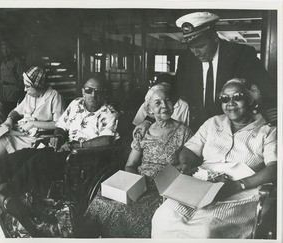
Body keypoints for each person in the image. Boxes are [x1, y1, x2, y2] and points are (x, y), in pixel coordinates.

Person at [0, 76, 119, 237]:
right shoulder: (75, 104)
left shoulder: (109, 112)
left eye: (99, 92)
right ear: (83, 91)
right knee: (24, 155)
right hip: (65, 149)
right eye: (89, 90)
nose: (93, 95)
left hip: (82, 157)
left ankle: (9, 197)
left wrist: (75, 146)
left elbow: (107, 139)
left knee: (39, 160)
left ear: (105, 94)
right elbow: (61, 126)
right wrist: (58, 137)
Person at [151, 78, 277, 238]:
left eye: (237, 97)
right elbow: (189, 149)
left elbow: (274, 169)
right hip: (203, 185)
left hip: (242, 190)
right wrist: (185, 164)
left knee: (204, 229)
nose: (230, 103)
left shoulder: (268, 131)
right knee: (163, 216)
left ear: (249, 99)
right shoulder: (212, 123)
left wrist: (238, 185)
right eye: (225, 99)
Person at [81, 83, 194, 238]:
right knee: (101, 201)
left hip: (163, 189)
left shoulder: (185, 132)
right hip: (140, 182)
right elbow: (131, 164)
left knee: (125, 211)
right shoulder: (144, 131)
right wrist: (134, 185)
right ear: (149, 110)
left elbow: (188, 164)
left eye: (167, 100)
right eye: (158, 103)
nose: (164, 106)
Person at [173, 11, 277, 131]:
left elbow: (268, 90)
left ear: (214, 37)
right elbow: (175, 86)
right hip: (199, 130)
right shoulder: (186, 59)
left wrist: (274, 122)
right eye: (191, 47)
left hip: (236, 129)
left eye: (201, 46)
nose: (196, 53)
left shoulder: (241, 54)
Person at [0, 66, 65, 160]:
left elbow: (59, 124)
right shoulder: (29, 95)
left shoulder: (55, 97)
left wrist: (33, 124)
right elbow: (16, 111)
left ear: (38, 86)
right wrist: (9, 120)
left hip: (37, 138)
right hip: (20, 134)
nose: (25, 90)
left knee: (15, 160)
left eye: (27, 86)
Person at [0, 40, 25, 112]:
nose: (5, 50)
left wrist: (19, 92)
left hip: (13, 90)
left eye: (7, 48)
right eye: (3, 48)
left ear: (11, 49)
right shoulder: (3, 62)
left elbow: (21, 78)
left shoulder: (17, 61)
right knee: (4, 109)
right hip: (4, 90)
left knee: (11, 110)